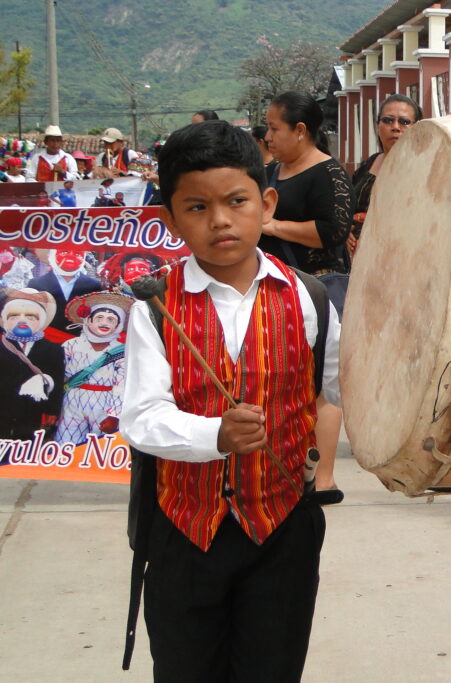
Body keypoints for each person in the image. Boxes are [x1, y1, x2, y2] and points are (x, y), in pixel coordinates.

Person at [120, 120, 340, 681]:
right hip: (185, 534)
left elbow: (339, 391)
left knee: (273, 669)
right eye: (197, 207)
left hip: (283, 532)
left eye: (236, 201)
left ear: (266, 204)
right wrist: (212, 435)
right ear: (170, 220)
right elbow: (142, 418)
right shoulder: (154, 307)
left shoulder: (311, 299)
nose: (219, 219)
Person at [262, 90, 353, 503]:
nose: (268, 137)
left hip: (318, 288)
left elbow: (333, 231)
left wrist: (273, 227)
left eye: (274, 128)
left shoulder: (328, 173)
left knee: (321, 386)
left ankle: (324, 479)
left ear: (300, 130)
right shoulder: (271, 172)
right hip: (276, 287)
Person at [349, 93, 423, 256]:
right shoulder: (369, 164)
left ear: (416, 127)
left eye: (404, 122)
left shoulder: (424, 170)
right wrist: (346, 231)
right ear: (378, 126)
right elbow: (347, 207)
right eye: (388, 120)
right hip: (357, 259)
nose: (395, 127)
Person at [54, 292, 133, 444]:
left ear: (118, 325)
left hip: (105, 403)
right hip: (71, 401)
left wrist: (114, 414)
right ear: (88, 320)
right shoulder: (70, 345)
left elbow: (121, 385)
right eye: (99, 318)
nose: (104, 323)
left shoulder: (122, 351)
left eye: (111, 320)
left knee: (100, 446)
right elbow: (59, 376)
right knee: (66, 443)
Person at [0, 289, 64, 446]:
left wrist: (52, 411)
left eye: (30, 317)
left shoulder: (53, 349)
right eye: (14, 317)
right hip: (3, 408)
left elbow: (57, 381)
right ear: (4, 320)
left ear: (41, 321)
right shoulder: (2, 346)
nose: (22, 321)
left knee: (27, 448)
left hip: (33, 411)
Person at [28, 249, 103, 341]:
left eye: (77, 253)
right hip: (43, 341)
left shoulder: (93, 285)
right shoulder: (36, 284)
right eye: (64, 252)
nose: (70, 256)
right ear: (52, 255)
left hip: (80, 342)